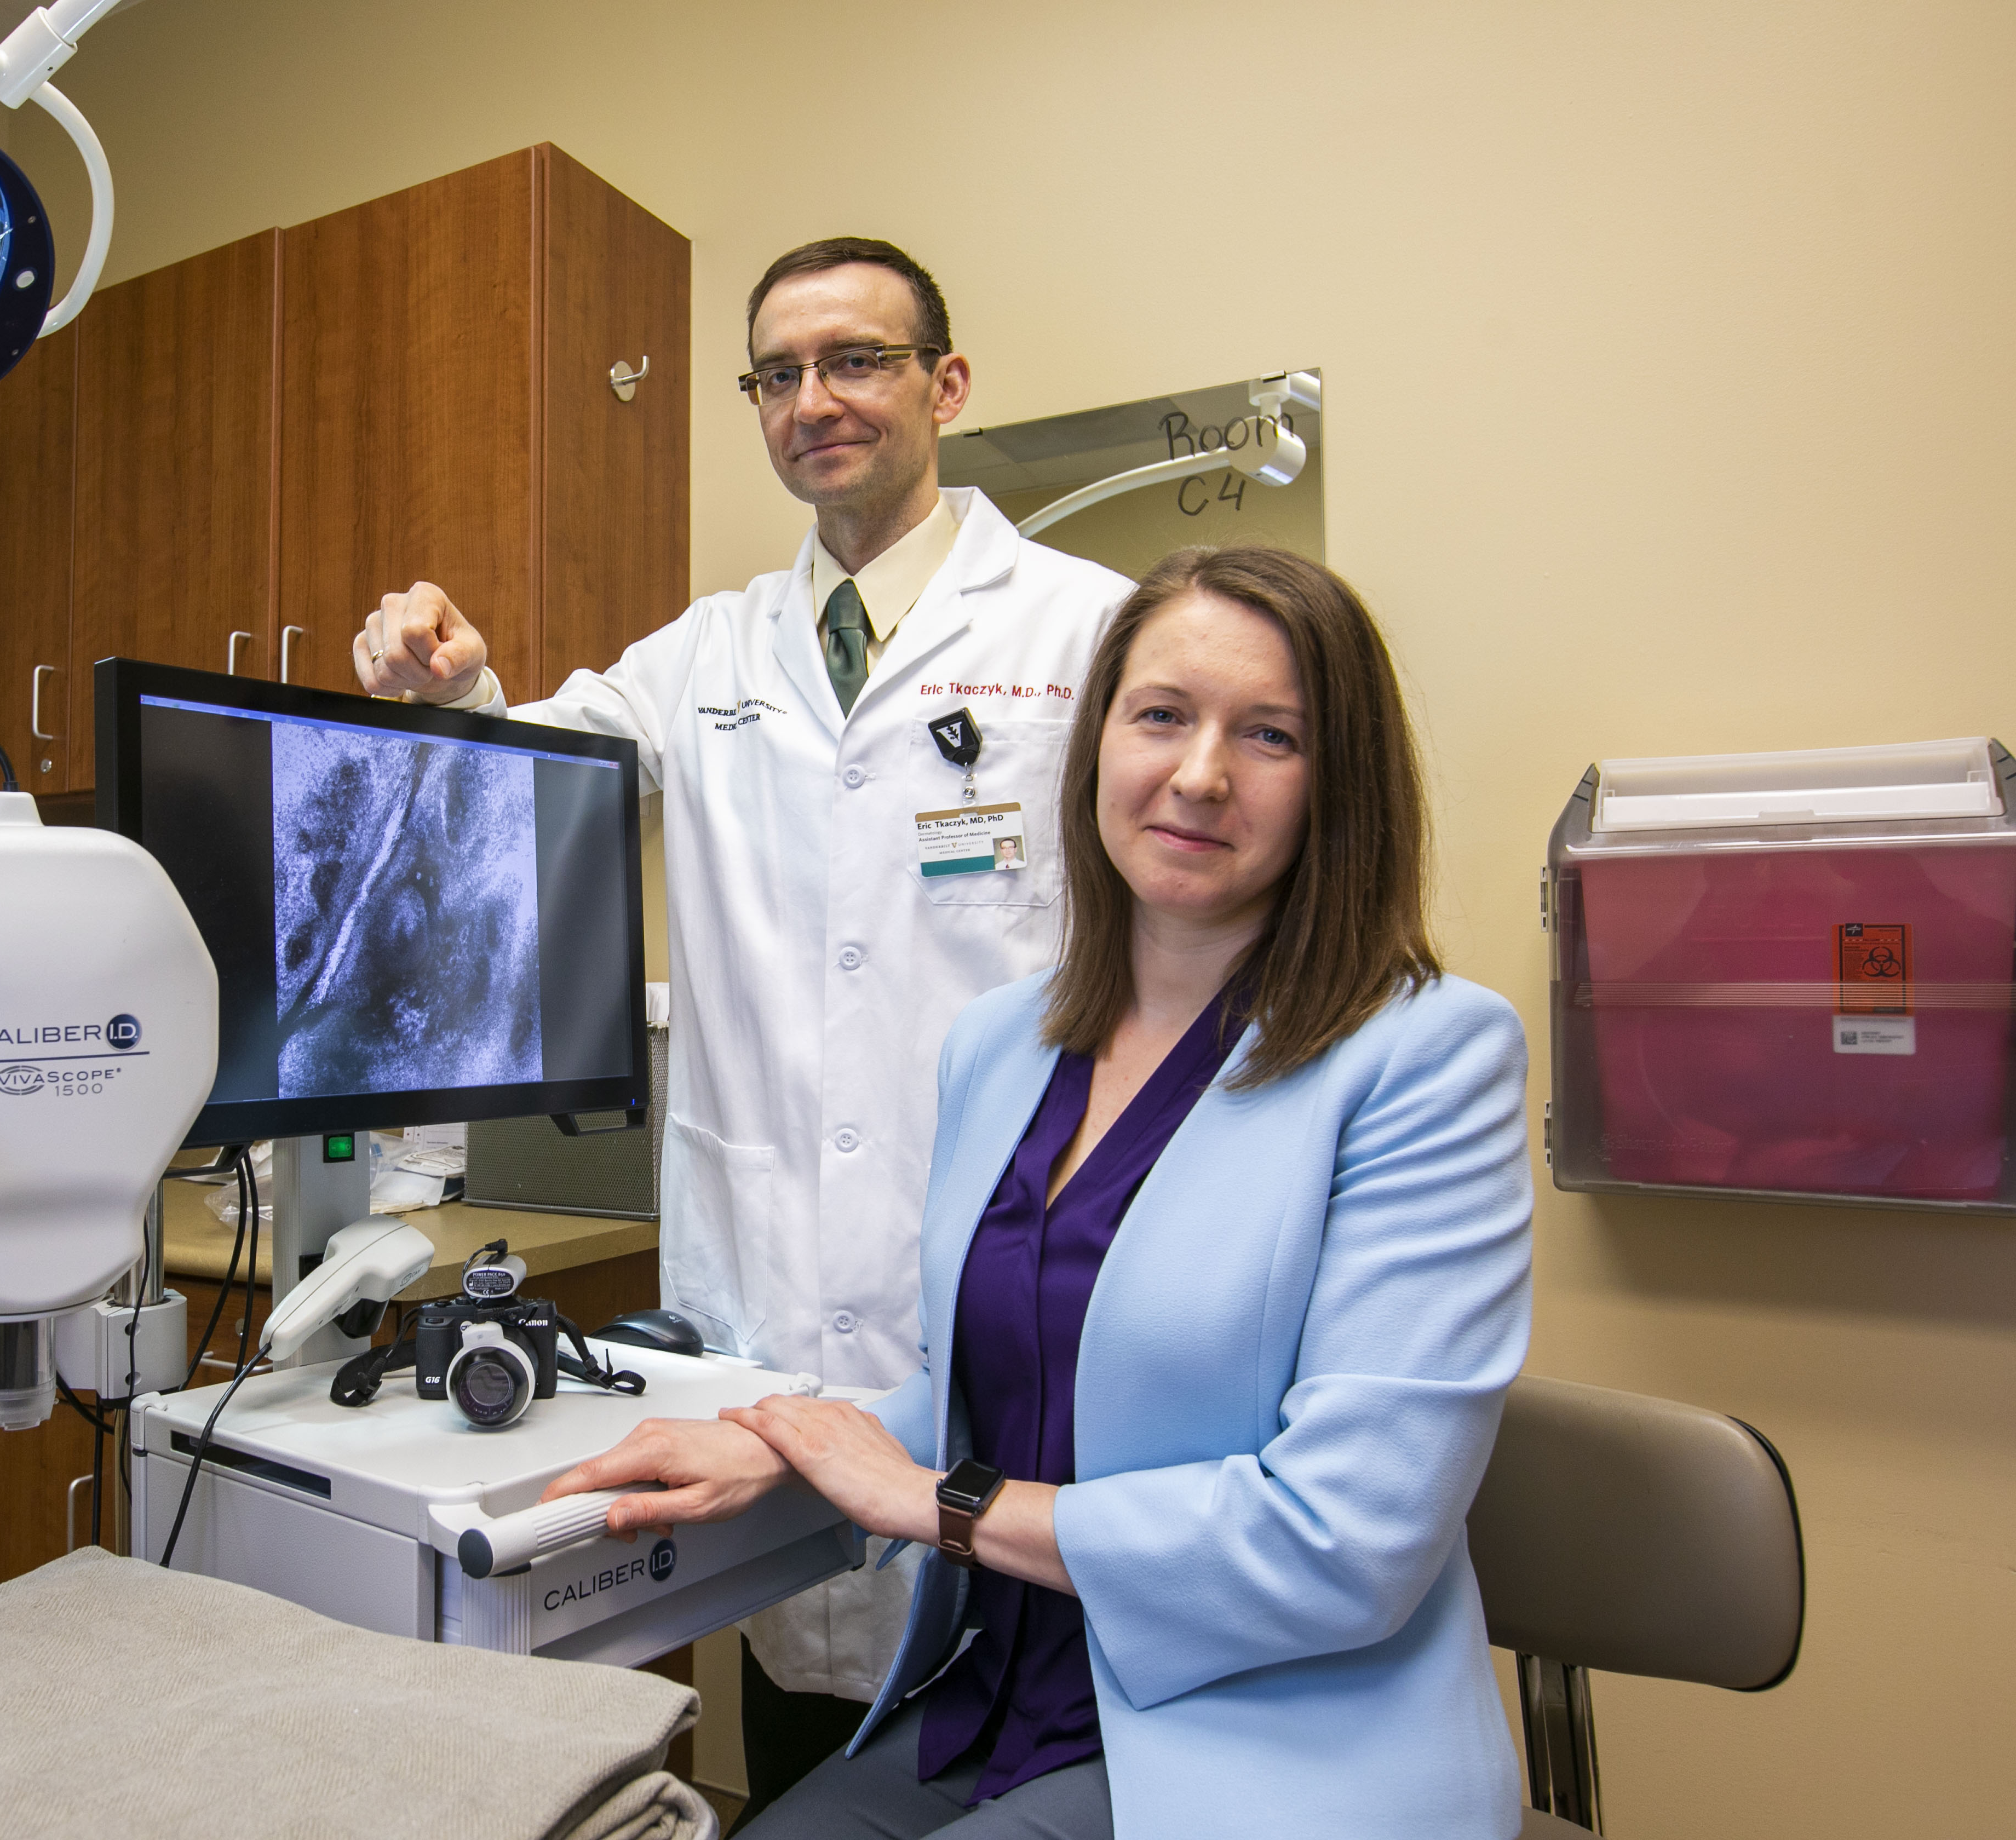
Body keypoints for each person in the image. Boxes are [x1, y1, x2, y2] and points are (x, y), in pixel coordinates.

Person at [542, 545, 1535, 1839]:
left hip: (1264, 1733)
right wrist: (778, 1440)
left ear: (1337, 787)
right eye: (1162, 715)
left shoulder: (1425, 1058)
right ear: (1097, 744)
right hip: (996, 1694)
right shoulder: (1003, 1045)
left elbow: (1345, 1543)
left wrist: (938, 1504)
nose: (1199, 774)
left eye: (1272, 736)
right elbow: (991, 1391)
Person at [352, 238, 1135, 1804]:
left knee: (1037, 1740)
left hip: (1019, 1300)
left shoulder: (1090, 631)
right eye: (778, 375)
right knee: (802, 1731)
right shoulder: (704, 656)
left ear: (946, 385)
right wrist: (444, 680)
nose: (813, 400)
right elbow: (531, 784)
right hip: (770, 1301)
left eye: (856, 360)